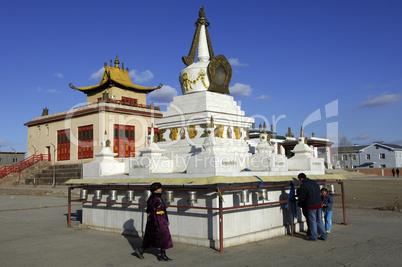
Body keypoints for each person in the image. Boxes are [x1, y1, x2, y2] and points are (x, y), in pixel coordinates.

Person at [135, 182, 173, 261]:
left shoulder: (158, 197)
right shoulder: (153, 199)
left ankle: (162, 254)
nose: (161, 189)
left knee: (160, 237)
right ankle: (141, 249)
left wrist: (166, 218)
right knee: (155, 237)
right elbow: (152, 212)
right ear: (155, 190)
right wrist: (156, 224)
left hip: (161, 219)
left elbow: (163, 209)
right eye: (159, 188)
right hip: (157, 220)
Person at [297, 173, 327, 241]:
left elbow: (303, 197)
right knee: (319, 220)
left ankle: (314, 236)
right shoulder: (314, 182)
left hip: (311, 205)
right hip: (319, 204)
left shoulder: (304, 186)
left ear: (301, 179)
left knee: (312, 221)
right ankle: (324, 235)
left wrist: (300, 202)